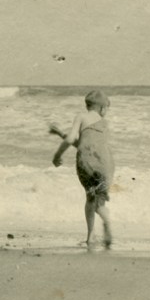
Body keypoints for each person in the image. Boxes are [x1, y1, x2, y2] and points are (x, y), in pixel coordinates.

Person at [50, 90, 114, 248]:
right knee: (100, 201)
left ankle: (91, 236)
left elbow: (77, 142)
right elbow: (89, 144)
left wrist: (57, 155)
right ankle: (105, 221)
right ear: (102, 108)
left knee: (90, 197)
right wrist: (60, 134)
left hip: (87, 162)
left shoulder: (81, 117)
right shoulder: (104, 124)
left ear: (87, 105)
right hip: (106, 163)